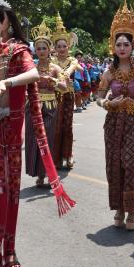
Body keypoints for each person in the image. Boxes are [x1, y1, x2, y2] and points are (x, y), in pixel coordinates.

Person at [0, 1, 74, 267]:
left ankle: (9, 250)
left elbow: (33, 73)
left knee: (8, 195)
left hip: (9, 137)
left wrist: (5, 82)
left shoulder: (17, 52)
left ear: (4, 24)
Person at [96, 2, 134, 230]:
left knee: (130, 162)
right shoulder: (109, 71)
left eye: (126, 44)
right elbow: (99, 95)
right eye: (118, 44)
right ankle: (120, 209)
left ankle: (133, 209)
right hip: (113, 121)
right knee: (114, 164)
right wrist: (106, 103)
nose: (122, 47)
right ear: (113, 46)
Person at [25, 21, 67, 187]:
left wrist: (53, 80)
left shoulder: (55, 68)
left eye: (44, 48)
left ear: (50, 50)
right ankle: (39, 175)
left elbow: (64, 87)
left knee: (47, 141)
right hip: (33, 106)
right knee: (33, 140)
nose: (41, 51)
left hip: (49, 106)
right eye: (38, 48)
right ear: (35, 50)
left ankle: (48, 173)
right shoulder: (31, 68)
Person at [51, 13, 82, 169]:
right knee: (55, 127)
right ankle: (56, 158)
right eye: (59, 46)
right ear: (55, 48)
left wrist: (65, 76)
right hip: (54, 96)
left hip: (68, 96)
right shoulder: (52, 62)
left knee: (67, 126)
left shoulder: (73, 60)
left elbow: (71, 70)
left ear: (68, 46)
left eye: (64, 46)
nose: (62, 49)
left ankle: (68, 155)